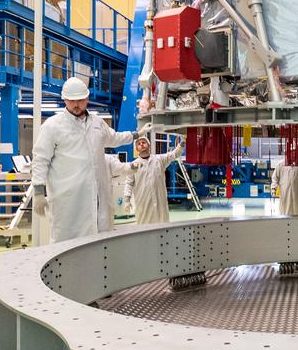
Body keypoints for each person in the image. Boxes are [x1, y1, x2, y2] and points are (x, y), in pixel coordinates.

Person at [31, 77, 136, 243]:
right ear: (64, 100)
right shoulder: (53, 126)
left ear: (87, 98)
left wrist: (135, 135)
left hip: (97, 196)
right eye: (71, 101)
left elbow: (114, 138)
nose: (76, 105)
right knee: (66, 245)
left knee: (99, 244)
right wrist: (38, 191)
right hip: (68, 199)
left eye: (80, 100)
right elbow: (40, 160)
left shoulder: (97, 123)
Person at [113, 134, 185, 225]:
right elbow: (129, 183)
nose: (141, 144)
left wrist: (182, 143)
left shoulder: (159, 160)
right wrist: (127, 200)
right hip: (143, 203)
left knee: (163, 226)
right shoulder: (134, 165)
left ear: (149, 145)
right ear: (137, 149)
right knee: (144, 227)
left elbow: (174, 154)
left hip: (160, 203)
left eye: (144, 142)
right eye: (139, 144)